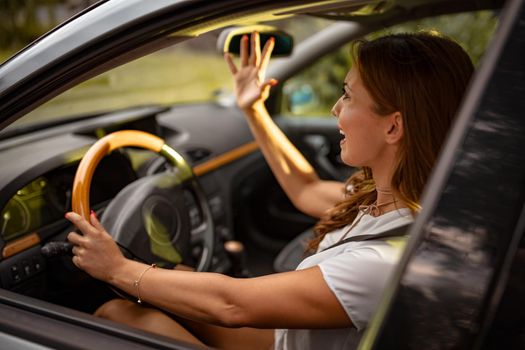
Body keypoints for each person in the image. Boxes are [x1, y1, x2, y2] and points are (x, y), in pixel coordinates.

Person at [65, 30, 474, 349]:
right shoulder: (391, 195)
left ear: (393, 126)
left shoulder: (383, 264)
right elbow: (306, 188)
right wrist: (253, 109)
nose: (335, 109)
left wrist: (119, 269)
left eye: (347, 96)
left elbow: (233, 305)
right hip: (284, 340)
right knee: (178, 279)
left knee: (118, 313)